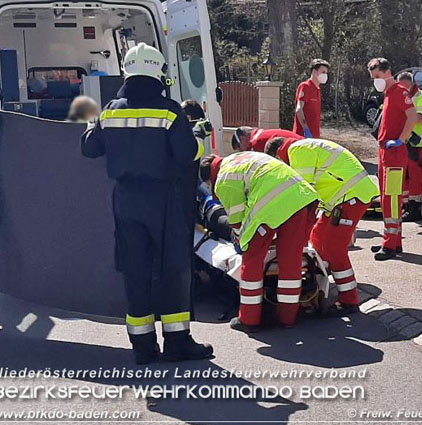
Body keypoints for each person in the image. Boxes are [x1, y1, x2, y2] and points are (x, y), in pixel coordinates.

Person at [81, 43, 212, 364]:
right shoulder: (169, 111)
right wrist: (197, 134)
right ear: (159, 72)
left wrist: (90, 123)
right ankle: (177, 342)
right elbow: (186, 154)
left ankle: (142, 346)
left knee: (135, 271)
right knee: (172, 268)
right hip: (162, 199)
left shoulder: (110, 110)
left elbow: (89, 148)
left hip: (125, 200)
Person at [199, 152, 318, 332]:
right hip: (300, 197)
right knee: (291, 260)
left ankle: (249, 319)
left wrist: (241, 241)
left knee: (252, 260)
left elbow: (237, 220)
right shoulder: (240, 158)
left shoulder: (223, 179)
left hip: (273, 203)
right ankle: (287, 317)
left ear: (210, 176)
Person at [265, 137, 379, 312]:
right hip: (342, 198)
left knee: (334, 248)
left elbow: (303, 197)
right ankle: (320, 284)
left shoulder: (296, 151)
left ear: (278, 156)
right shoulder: (300, 148)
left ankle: (349, 301)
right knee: (317, 238)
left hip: (349, 197)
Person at [367, 58, 417, 261]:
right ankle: (393, 241)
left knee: (392, 198)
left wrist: (400, 140)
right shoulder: (388, 94)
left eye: (377, 76)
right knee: (387, 197)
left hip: (394, 153)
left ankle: (390, 243)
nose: (375, 81)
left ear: (388, 72)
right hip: (385, 152)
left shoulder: (399, 92)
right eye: (373, 78)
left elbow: (412, 116)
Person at [397, 72, 422, 222]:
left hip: (418, 145)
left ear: (412, 84)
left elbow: (420, 118)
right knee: (404, 177)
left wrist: (402, 115)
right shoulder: (401, 98)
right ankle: (406, 207)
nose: (402, 89)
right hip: (405, 143)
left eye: (404, 86)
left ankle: (415, 209)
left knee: (415, 178)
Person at [293, 59, 329, 139]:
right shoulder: (305, 86)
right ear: (314, 72)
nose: (325, 75)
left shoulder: (317, 89)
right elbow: (299, 109)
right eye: (323, 72)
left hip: (314, 135)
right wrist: (305, 128)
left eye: (326, 73)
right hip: (302, 135)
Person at [231, 126, 302, 152]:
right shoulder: (260, 135)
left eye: (239, 148)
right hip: (303, 144)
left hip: (299, 149)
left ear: (243, 139)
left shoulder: (256, 144)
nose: (241, 151)